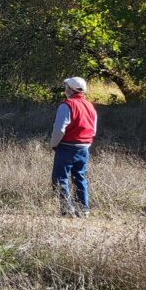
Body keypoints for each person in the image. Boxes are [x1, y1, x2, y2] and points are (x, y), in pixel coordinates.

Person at [50, 76, 97, 217]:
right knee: (79, 177)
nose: (65, 90)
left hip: (66, 147)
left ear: (70, 89)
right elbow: (93, 129)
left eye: (66, 87)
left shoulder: (67, 105)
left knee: (59, 179)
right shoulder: (90, 106)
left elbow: (59, 129)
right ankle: (84, 209)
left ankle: (68, 209)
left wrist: (54, 144)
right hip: (84, 148)